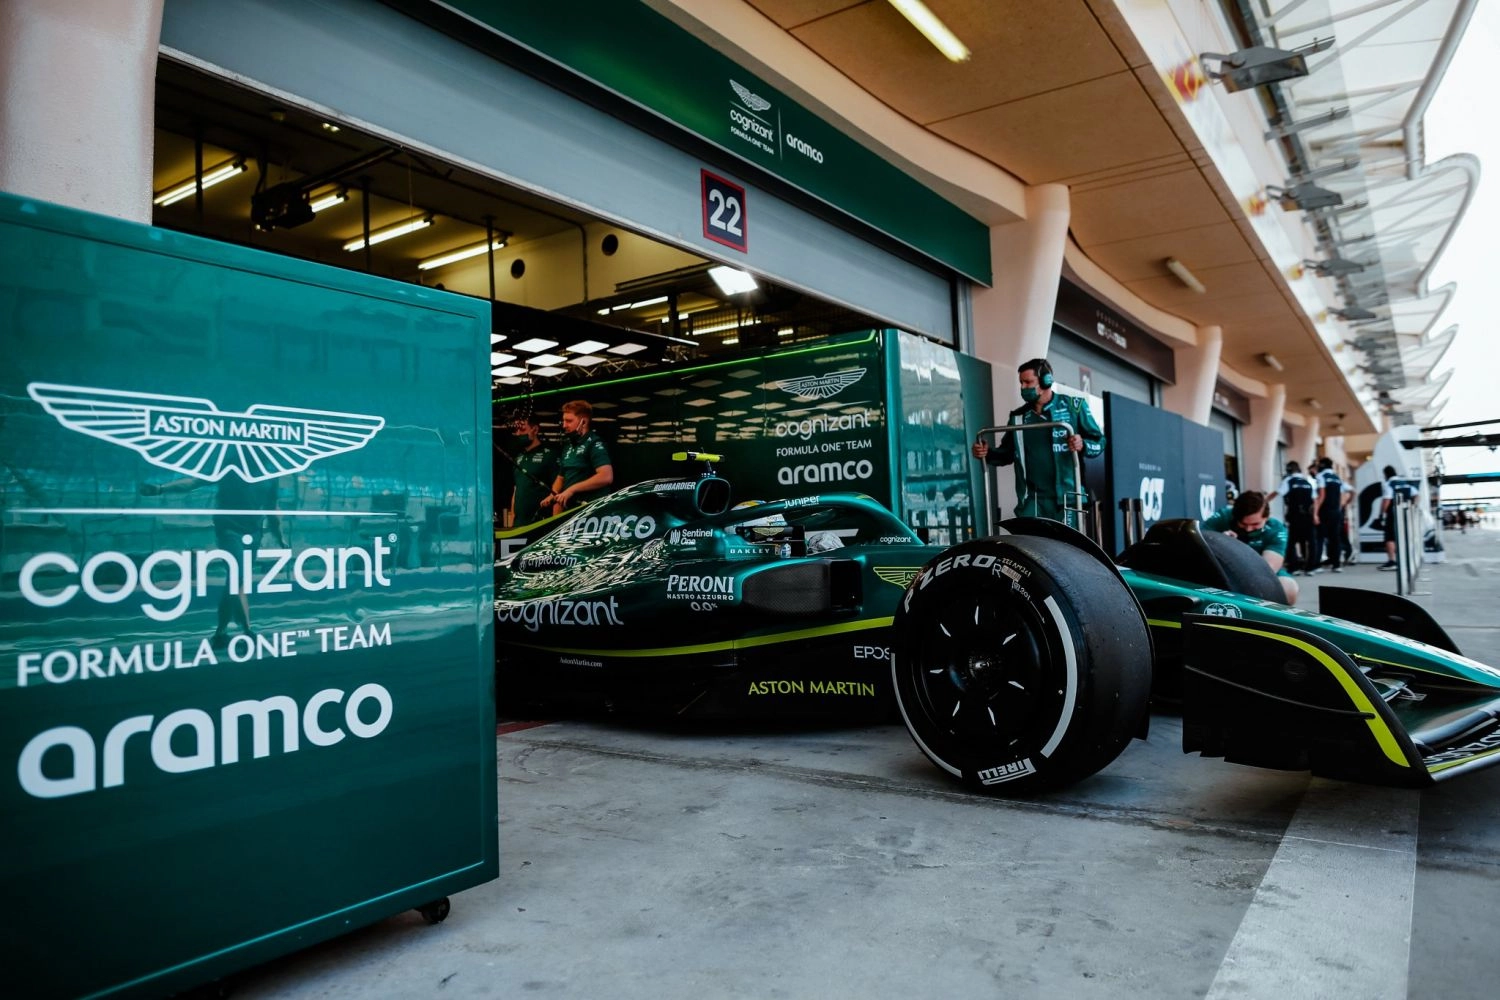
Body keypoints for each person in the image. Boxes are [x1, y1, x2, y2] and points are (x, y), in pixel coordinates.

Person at [141, 472, 283, 647]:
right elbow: (195, 481)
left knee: (236, 581)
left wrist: (279, 535)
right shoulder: (232, 465)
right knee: (237, 578)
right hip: (229, 529)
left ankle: (221, 632)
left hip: (254, 532)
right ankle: (247, 631)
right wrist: (161, 489)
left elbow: (272, 506)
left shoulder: (271, 473)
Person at [971, 358, 1105, 530]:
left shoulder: (1074, 407)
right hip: (1032, 500)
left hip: (1069, 498)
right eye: (1021, 383)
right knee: (1031, 550)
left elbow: (1100, 441)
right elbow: (1006, 453)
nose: (1023, 387)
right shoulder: (1018, 417)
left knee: (1066, 550)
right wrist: (987, 453)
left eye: (1028, 382)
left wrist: (1082, 444)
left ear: (1046, 380)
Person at [1201, 489, 1299, 604]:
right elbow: (1199, 545)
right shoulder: (1223, 516)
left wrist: (1234, 549)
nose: (1248, 529)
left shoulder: (1276, 528)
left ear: (1266, 518)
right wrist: (1219, 541)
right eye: (1243, 524)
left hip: (1258, 574)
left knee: (1289, 588)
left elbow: (1267, 570)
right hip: (1222, 571)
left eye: (1255, 524)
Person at [546, 399, 613, 514]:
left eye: (569, 421)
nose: (564, 425)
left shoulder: (594, 443)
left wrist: (571, 489)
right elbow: (561, 477)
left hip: (591, 512)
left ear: (584, 422)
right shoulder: (569, 445)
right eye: (563, 421)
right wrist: (552, 495)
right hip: (570, 512)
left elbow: (606, 476)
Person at [507, 414, 559, 527]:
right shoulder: (518, 458)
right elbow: (516, 490)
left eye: (522, 429)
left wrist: (556, 522)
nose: (518, 433)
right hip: (519, 524)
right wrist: (512, 520)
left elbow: (558, 490)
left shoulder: (549, 455)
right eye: (516, 430)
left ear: (535, 429)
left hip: (541, 523)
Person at [1268, 460, 1317, 574]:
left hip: (1295, 516)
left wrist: (1264, 501)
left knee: (1290, 542)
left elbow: (1277, 492)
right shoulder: (1307, 482)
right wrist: (1314, 515)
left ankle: (1294, 567)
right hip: (1308, 516)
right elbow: (1314, 500)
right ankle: (1311, 568)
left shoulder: (1289, 481)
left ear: (1289, 470)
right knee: (1310, 542)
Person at [1313, 457, 1346, 573]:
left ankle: (1317, 565)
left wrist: (1315, 513)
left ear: (1322, 465)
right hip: (1336, 511)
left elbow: (1321, 496)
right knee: (1335, 538)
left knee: (1320, 538)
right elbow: (1342, 497)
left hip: (1324, 511)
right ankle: (1336, 564)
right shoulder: (1337, 478)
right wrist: (1340, 510)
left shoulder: (1321, 476)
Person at [1377, 465, 1402, 571]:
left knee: (1389, 537)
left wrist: (1382, 514)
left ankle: (1392, 561)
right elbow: (1416, 495)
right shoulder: (1404, 483)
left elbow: (1386, 500)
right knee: (1401, 537)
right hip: (1405, 514)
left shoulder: (1389, 484)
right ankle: (1402, 560)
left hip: (1393, 514)